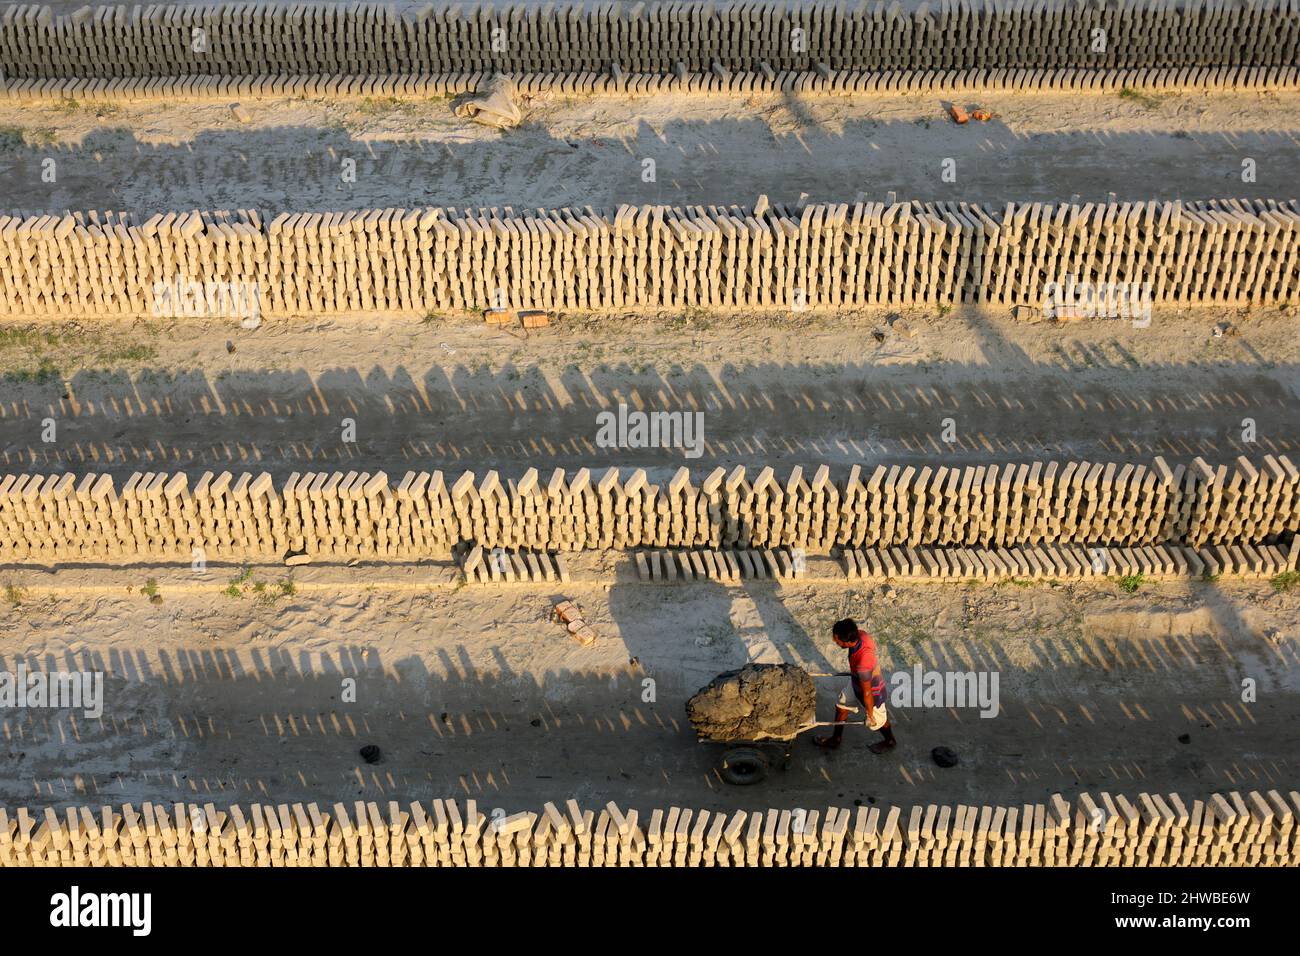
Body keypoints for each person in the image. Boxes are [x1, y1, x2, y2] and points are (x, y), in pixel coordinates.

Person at [813, 618, 897, 754]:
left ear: (846, 641)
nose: (835, 641)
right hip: (856, 682)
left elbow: (868, 692)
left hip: (872, 692)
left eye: (836, 639)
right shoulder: (861, 635)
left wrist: (869, 714)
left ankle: (890, 741)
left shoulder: (863, 661)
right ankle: (836, 739)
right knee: (841, 705)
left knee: (878, 721)